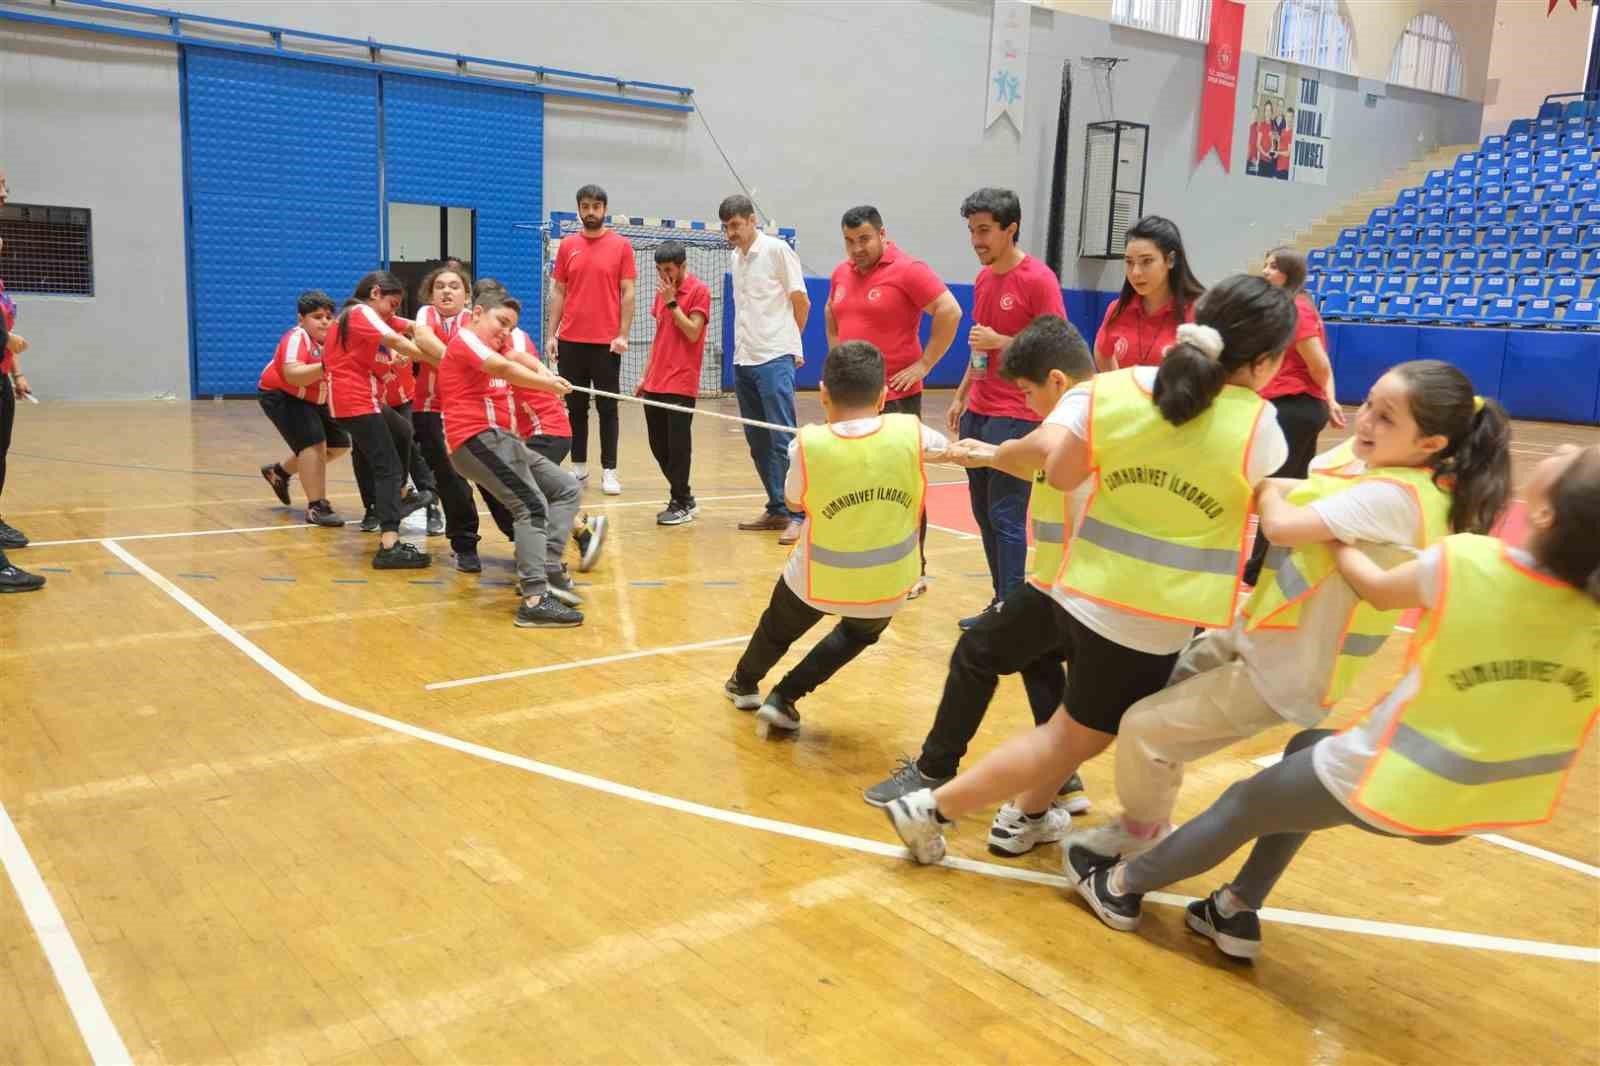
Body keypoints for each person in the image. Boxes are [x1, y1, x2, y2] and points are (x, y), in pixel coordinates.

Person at [1067, 442, 1599, 962]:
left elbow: (1378, 588)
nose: (1568, 446)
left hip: (1394, 778)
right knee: (1306, 753)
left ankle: (1120, 884)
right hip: (1482, 807)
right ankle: (1233, 907)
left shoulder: (1470, 561)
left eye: (1572, 460)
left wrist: (1339, 532)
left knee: (1243, 805)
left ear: (1548, 512)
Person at [886, 275, 1296, 865]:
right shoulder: (1258, 425)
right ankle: (935, 809)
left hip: (1081, 591)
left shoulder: (1117, 388)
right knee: (1073, 736)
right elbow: (1274, 519)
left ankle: (1024, 816)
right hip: (1145, 617)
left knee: (1076, 730)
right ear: (1265, 362)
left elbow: (1064, 473)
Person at [1074, 362, 1512, 861]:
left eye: (1387, 417)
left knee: (1145, 730)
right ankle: (1144, 815)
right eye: (1368, 402)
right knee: (1151, 699)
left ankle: (1141, 834)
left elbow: (1281, 524)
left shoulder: (1397, 497)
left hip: (1289, 670)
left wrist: (1269, 489)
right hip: (1264, 631)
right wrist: (1281, 492)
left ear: (1430, 444)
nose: (1365, 421)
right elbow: (1296, 489)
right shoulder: (1370, 457)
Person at [863, 315, 1096, 851]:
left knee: (977, 651)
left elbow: (1044, 450)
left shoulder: (1079, 403)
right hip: (1076, 580)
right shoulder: (1108, 402)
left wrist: (999, 453)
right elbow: (1057, 464)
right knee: (1038, 659)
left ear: (1057, 381)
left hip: (1079, 584)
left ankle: (933, 773)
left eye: (1028, 393)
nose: (1028, 406)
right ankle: (1061, 781)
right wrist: (989, 455)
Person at [723, 340, 948, 736]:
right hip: (887, 583)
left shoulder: (808, 444)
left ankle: (743, 684)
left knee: (777, 628)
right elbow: (952, 451)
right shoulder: (910, 430)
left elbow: (793, 498)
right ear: (883, 396)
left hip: (816, 577)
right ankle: (786, 696)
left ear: (823, 393)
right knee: (859, 633)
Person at [946, 188, 1067, 630]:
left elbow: (1056, 345)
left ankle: (1015, 613)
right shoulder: (982, 280)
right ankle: (1001, 601)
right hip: (980, 407)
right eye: (972, 231)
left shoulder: (1038, 279)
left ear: (1010, 229)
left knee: (1005, 513)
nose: (977, 240)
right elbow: (980, 345)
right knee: (983, 512)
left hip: (1018, 412)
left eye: (984, 231)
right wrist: (962, 393)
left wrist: (1003, 343)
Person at [825, 205, 962, 596]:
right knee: (855, 484)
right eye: (850, 241)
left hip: (897, 398)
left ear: (883, 234)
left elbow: (950, 311)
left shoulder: (909, 270)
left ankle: (912, 569)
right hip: (852, 401)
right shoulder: (840, 273)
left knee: (900, 487)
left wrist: (924, 364)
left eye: (864, 239)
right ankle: (865, 561)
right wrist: (838, 362)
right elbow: (830, 313)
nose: (857, 249)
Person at [440, 288, 586, 627]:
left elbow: (518, 357)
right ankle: (534, 598)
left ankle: (547, 566)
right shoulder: (466, 340)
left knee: (566, 488)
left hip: (503, 440)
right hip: (474, 437)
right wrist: (546, 387)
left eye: (511, 326)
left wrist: (547, 373)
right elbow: (503, 367)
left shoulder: (496, 342)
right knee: (531, 505)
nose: (505, 331)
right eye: (501, 322)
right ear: (477, 313)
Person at [482, 278, 609, 575]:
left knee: (521, 489)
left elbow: (517, 361)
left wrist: (548, 378)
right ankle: (576, 532)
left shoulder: (508, 338)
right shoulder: (492, 339)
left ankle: (556, 549)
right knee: (508, 485)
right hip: (533, 432)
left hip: (547, 430)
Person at [1242, 246, 1346, 586]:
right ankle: (1277, 565)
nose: (1266, 270)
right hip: (1293, 406)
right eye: (1266, 263)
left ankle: (1259, 569)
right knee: (1293, 488)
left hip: (1294, 406)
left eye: (1273, 266)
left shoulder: (1298, 310)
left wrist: (1330, 398)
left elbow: (1318, 364)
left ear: (1288, 274)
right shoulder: (1286, 307)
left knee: (1274, 487)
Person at [323, 272, 437, 569]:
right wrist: (440, 361)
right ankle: (389, 543)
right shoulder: (359, 311)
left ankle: (398, 496)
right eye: (392, 303)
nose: (394, 311)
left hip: (364, 399)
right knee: (388, 467)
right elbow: (395, 338)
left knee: (402, 430)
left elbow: (411, 326)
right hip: (355, 401)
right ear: (375, 292)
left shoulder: (369, 316)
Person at [722, 193, 810, 545]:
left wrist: (790, 344)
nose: (731, 233)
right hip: (744, 358)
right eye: (727, 227)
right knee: (757, 441)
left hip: (775, 356)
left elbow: (800, 300)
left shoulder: (777, 251)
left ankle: (799, 514)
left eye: (736, 225)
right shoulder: (734, 258)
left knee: (782, 440)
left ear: (752, 220)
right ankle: (776, 507)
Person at [544, 184, 636, 495]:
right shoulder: (568, 245)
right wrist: (551, 335)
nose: (591, 211)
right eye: (585, 206)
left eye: (596, 206)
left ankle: (610, 471)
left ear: (604, 209)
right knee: (575, 408)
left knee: (608, 409)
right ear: (579, 209)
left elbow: (628, 292)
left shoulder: (621, 246)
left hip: (606, 344)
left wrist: (622, 334)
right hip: (571, 342)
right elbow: (558, 291)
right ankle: (579, 469)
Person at [403, 265, 489, 572]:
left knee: (491, 477)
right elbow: (423, 339)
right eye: (440, 286)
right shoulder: (426, 315)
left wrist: (437, 359)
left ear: (467, 295)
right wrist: (457, 361)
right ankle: (465, 544)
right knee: (451, 480)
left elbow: (483, 360)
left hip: (473, 410)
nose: (446, 291)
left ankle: (523, 539)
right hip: (430, 410)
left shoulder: (476, 321)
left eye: (454, 286)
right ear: (431, 293)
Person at [255, 290, 351, 526]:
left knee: (339, 445)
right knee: (313, 445)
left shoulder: (335, 340)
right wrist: (327, 365)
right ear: (301, 319)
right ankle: (317, 506)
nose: (325, 321)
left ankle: (279, 472)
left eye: (329, 316)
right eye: (317, 317)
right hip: (282, 394)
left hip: (315, 397)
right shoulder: (297, 337)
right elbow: (293, 375)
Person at [640, 241, 710, 525]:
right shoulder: (661, 294)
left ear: (682, 265)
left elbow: (693, 332)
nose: (664, 275)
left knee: (679, 448)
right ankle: (685, 496)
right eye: (659, 270)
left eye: (668, 270)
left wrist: (672, 302)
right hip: (656, 381)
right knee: (659, 446)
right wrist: (646, 376)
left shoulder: (698, 291)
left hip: (681, 382)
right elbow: (659, 338)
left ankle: (680, 501)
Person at [1094, 216, 1204, 372]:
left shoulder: (1199, 312)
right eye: (1129, 262)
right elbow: (1102, 351)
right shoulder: (1117, 310)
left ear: (1170, 260)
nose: (1135, 272)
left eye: (1147, 261)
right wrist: (1117, 388)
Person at [1276, 107, 1295, 180]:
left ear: (1293, 119)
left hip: (1285, 169)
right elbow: (1279, 148)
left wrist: (1277, 152)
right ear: (1285, 117)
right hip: (1278, 167)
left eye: (1291, 117)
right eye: (1288, 116)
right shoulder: (1283, 131)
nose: (1289, 119)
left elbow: (1288, 153)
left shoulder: (1292, 133)